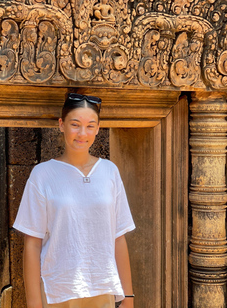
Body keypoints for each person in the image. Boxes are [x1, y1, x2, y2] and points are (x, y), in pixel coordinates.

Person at [13, 93, 136, 308]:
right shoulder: (43, 174)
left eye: (90, 126)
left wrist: (128, 298)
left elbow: (118, 237)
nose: (82, 133)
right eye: (75, 124)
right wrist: (34, 304)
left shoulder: (109, 171)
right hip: (57, 291)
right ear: (61, 125)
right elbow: (32, 243)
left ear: (98, 128)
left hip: (103, 290)